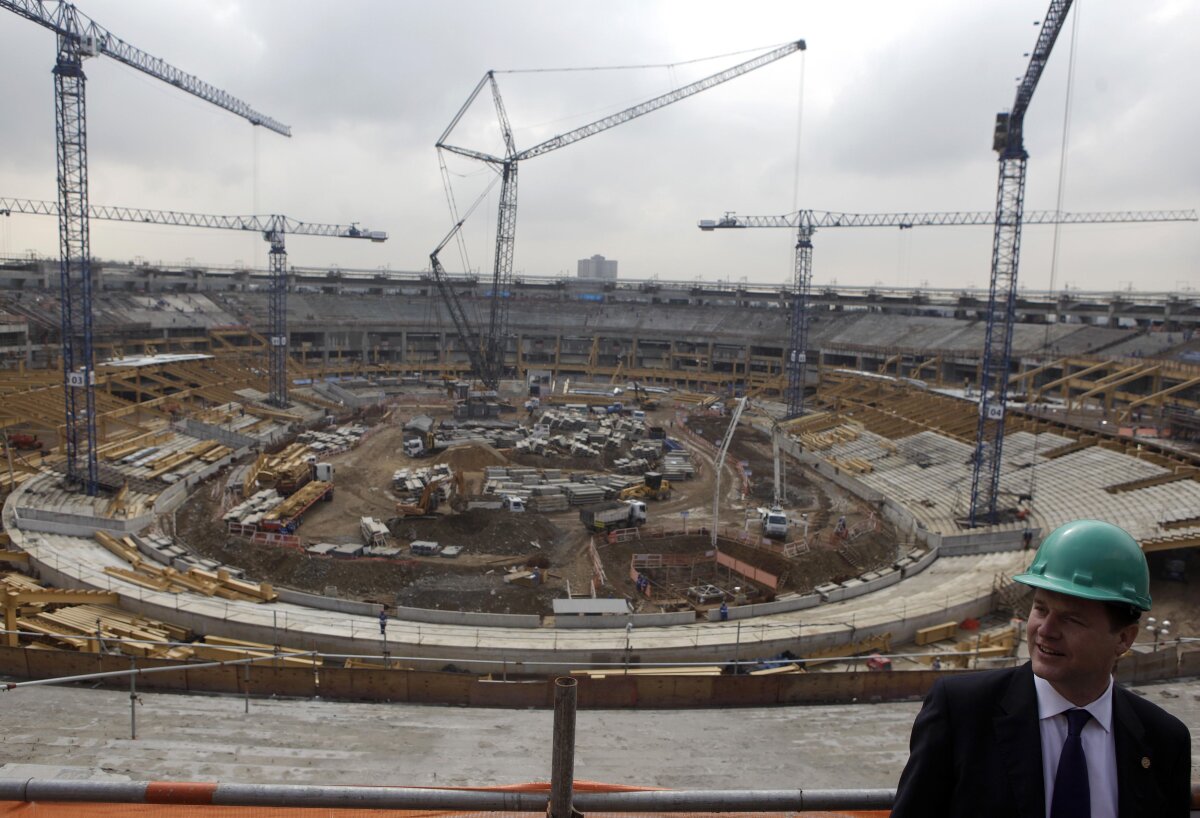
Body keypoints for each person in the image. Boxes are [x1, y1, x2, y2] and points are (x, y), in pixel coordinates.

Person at [891, 519, 1191, 818]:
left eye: (1071, 619)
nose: (1046, 630)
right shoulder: (962, 712)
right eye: (1040, 609)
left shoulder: (1164, 740)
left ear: (1124, 639)